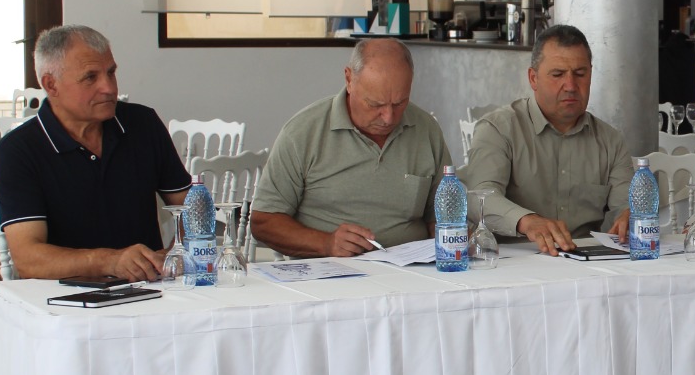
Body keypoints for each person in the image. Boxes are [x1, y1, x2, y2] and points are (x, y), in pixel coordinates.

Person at [0, 24, 192, 281]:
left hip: (149, 291)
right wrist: (110, 261)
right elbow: (29, 260)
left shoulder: (142, 124)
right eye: (90, 77)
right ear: (51, 85)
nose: (108, 87)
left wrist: (176, 253)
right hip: (61, 297)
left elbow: (191, 206)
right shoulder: (18, 151)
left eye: (111, 72)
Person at [252, 38, 451, 257]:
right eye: (375, 104)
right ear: (349, 79)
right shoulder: (302, 133)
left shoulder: (426, 129)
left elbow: (444, 216)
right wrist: (326, 244)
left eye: (399, 103)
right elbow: (263, 221)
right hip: (330, 272)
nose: (388, 117)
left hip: (414, 270)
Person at [462, 24, 631, 255]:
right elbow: (479, 198)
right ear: (533, 78)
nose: (570, 86)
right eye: (558, 74)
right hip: (515, 260)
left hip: (586, 260)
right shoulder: (498, 129)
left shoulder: (610, 141)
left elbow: (626, 206)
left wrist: (630, 216)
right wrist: (527, 221)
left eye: (580, 74)